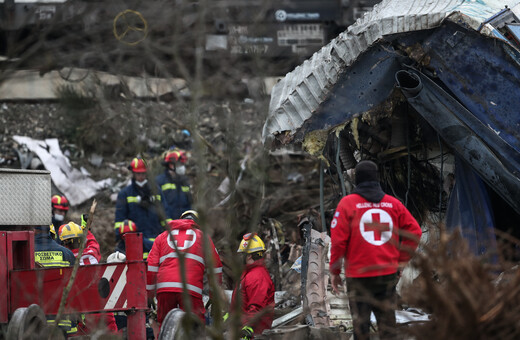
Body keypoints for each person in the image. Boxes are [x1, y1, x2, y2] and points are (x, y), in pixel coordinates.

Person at [329, 160, 422, 340]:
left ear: (357, 179)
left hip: (358, 277)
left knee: (361, 329)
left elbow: (338, 242)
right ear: (377, 179)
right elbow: (415, 232)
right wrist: (400, 263)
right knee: (388, 328)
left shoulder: (347, 204)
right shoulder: (393, 204)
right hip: (387, 275)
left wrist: (334, 271)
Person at [146, 215, 223, 325]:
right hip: (190, 289)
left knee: (165, 327)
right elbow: (215, 268)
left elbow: (151, 267)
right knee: (194, 328)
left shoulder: (161, 237)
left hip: (165, 289)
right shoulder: (203, 237)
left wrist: (149, 295)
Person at [58, 222, 118, 334]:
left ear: (64, 242)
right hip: (102, 307)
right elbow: (93, 243)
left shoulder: (65, 260)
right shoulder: (92, 254)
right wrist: (86, 229)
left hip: (81, 312)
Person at [114, 157, 163, 259]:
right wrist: (121, 236)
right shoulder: (125, 194)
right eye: (138, 174)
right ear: (133, 173)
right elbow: (119, 220)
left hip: (156, 240)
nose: (141, 176)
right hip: (135, 243)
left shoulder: (156, 191)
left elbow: (165, 214)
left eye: (143, 173)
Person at [33, 224, 77, 335]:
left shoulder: (25, 252)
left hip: (35, 321)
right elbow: (76, 288)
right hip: (63, 321)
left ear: (34, 230)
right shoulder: (67, 254)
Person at [230, 233, 275, 339]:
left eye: (242, 254)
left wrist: (247, 329)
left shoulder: (257, 277)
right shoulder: (249, 273)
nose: (239, 256)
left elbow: (256, 308)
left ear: (249, 256)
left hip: (253, 334)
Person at [156, 149, 192, 221]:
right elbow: (159, 207)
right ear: (171, 165)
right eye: (180, 164)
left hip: (183, 224)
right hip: (167, 226)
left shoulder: (185, 182)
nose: (182, 167)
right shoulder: (159, 182)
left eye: (183, 164)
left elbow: (189, 205)